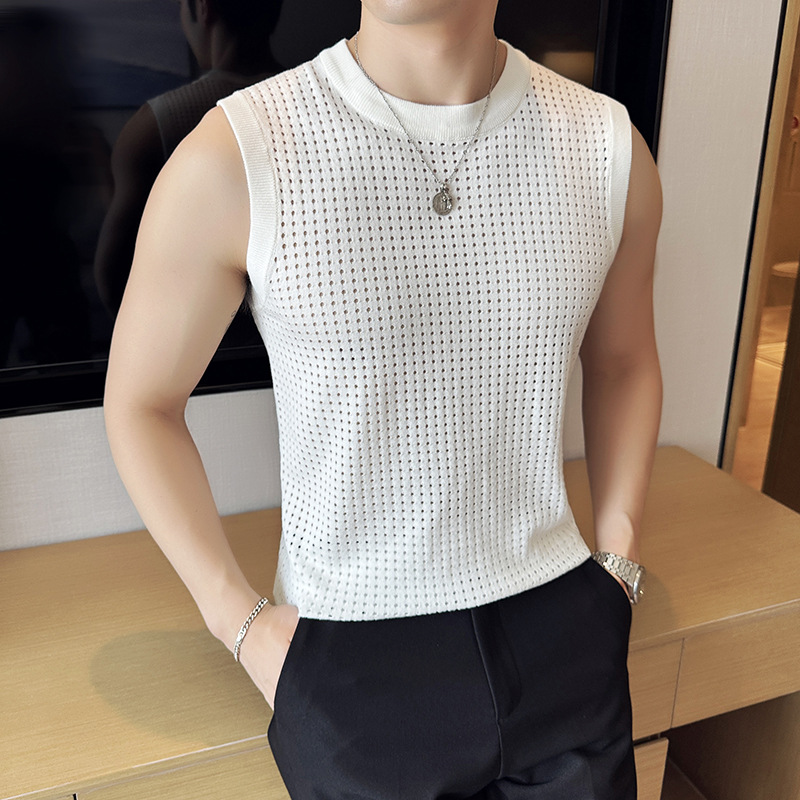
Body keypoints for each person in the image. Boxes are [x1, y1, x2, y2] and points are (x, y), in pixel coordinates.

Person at [104, 1, 663, 797]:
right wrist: (241, 623)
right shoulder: (238, 152)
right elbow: (141, 402)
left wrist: (619, 564)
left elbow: (624, 362)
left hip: (563, 623)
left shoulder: (607, 145)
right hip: (349, 653)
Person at [94, 0, 283, 314]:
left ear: (204, 8)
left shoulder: (156, 126)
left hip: (205, 340)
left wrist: (103, 170)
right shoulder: (318, 107)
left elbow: (114, 284)